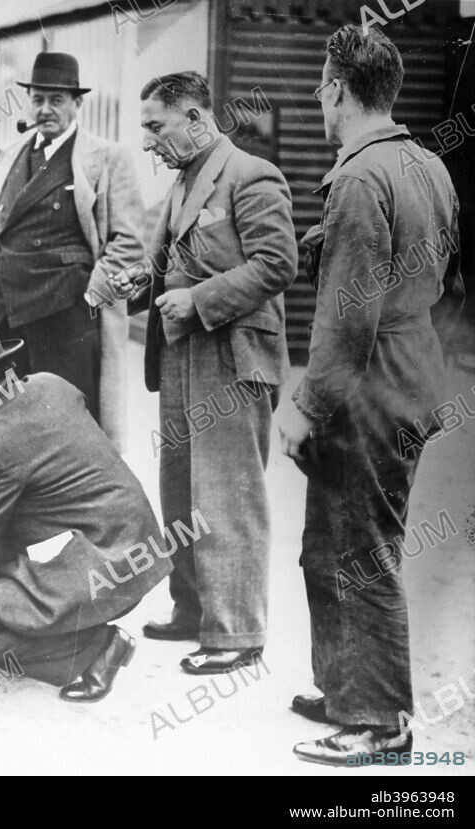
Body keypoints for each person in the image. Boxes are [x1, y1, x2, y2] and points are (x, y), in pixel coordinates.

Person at [276, 25, 463, 766]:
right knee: (326, 544)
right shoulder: (427, 166)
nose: (319, 102)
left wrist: (305, 407)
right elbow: (449, 285)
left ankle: (381, 724)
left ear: (338, 90)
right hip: (412, 373)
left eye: (322, 89)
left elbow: (347, 321)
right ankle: (344, 687)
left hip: (369, 389)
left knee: (362, 554)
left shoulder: (359, 178)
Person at [123, 71, 298, 674]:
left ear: (196, 118)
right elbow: (171, 260)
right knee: (181, 491)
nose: (147, 141)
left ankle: (237, 634)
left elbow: (278, 264)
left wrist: (198, 301)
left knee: (227, 495)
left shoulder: (252, 175)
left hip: (231, 356)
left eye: (155, 126)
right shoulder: (182, 182)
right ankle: (193, 609)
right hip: (181, 355)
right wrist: (140, 282)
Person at [0, 310, 170, 702]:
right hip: (136, 549)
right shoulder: (49, 385)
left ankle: (97, 651)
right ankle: (70, 629)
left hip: (101, 565)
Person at [0, 52, 143, 449]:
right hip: (7, 313)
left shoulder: (106, 158)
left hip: (67, 317)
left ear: (77, 103)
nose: (45, 109)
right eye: (38, 99)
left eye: (56, 100)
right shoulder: (8, 154)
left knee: (66, 430)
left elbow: (128, 242)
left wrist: (89, 296)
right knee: (7, 426)